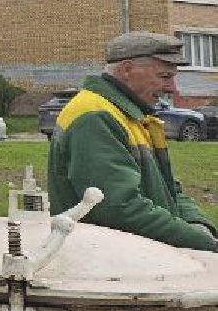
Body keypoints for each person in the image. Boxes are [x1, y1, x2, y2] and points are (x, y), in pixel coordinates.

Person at [48, 30, 218, 251]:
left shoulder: (131, 116)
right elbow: (118, 207)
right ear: (127, 70)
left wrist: (198, 225)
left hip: (136, 259)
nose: (172, 89)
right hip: (108, 265)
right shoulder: (95, 116)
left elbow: (170, 189)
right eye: (164, 77)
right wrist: (201, 243)